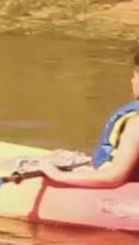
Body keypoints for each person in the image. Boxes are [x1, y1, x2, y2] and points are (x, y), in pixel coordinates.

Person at [27, 46, 139, 188]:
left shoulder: (136, 124)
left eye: (135, 75)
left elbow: (113, 177)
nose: (132, 80)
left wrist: (57, 174)